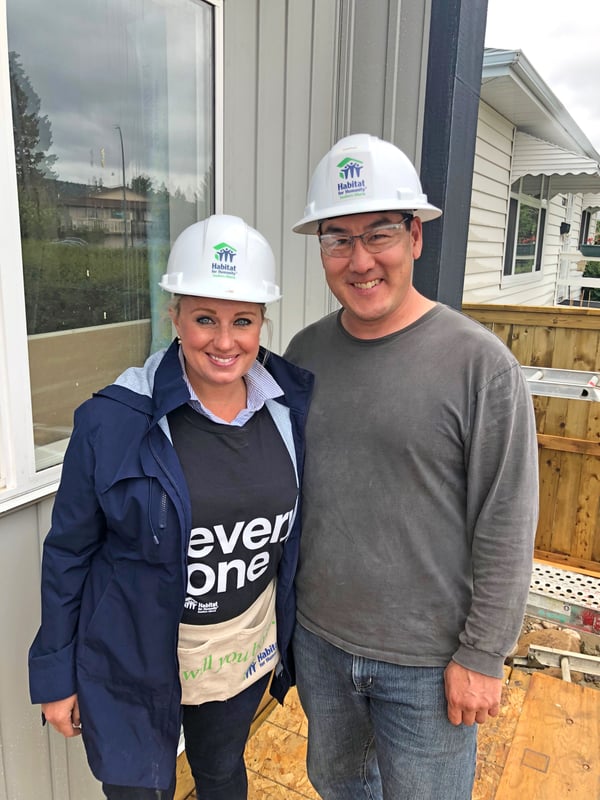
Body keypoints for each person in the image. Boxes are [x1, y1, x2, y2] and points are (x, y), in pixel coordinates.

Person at [284, 133, 539, 799]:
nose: (360, 259)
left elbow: (507, 521)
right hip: (321, 643)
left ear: (416, 238)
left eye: (380, 234)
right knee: (339, 788)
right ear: (321, 249)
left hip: (429, 665)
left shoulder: (479, 366)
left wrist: (483, 654)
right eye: (338, 238)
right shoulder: (303, 354)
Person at [28, 214, 313, 800]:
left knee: (221, 773)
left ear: (263, 322)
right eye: (204, 318)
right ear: (174, 316)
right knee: (139, 790)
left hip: (238, 656)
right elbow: (68, 553)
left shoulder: (292, 409)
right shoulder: (112, 421)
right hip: (133, 659)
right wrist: (56, 675)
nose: (224, 340)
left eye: (243, 320)